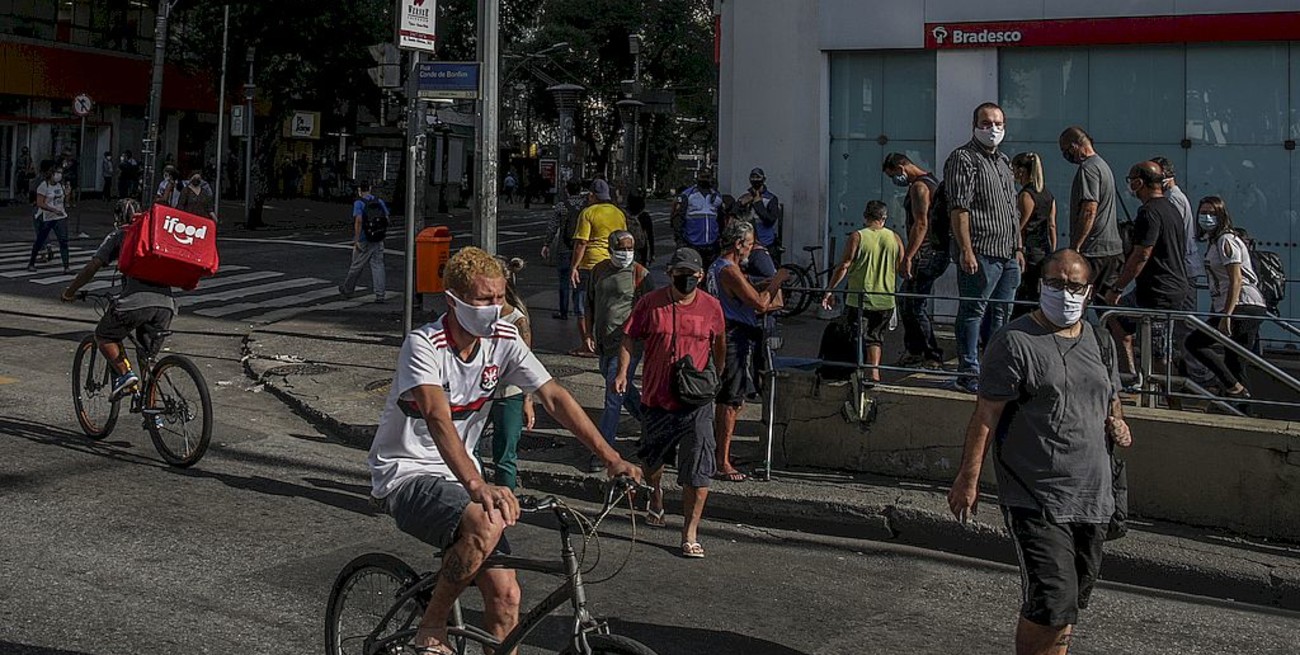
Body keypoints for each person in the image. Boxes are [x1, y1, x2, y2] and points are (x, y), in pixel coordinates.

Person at [367, 246, 642, 654]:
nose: (495, 308)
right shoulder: (424, 345)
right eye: (483, 299)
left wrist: (611, 458)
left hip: (459, 477)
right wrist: (478, 485)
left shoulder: (504, 339)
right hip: (408, 473)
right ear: (454, 301)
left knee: (507, 596)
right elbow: (438, 418)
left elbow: (554, 397)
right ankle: (432, 625)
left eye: (500, 297)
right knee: (486, 521)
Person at [948, 249, 1132, 655]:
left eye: (1075, 286)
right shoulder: (1014, 341)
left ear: (1089, 291)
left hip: (1092, 496)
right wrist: (968, 478)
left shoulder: (1100, 341)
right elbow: (986, 414)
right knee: (1050, 599)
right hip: (1037, 497)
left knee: (1068, 604)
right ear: (1040, 286)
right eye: (1056, 284)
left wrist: (1117, 423)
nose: (1066, 293)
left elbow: (1110, 399)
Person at [616, 247, 724, 557]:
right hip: (657, 398)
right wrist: (623, 372)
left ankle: (690, 531)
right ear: (670, 274)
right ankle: (656, 494)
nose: (686, 279)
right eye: (680, 274)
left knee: (699, 467)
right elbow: (629, 336)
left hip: (696, 401)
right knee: (652, 461)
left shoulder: (711, 306)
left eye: (691, 275)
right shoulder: (650, 303)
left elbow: (719, 343)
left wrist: (713, 378)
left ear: (700, 276)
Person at [60, 199, 177, 399]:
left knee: (104, 335)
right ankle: (152, 407)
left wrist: (70, 292)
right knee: (147, 357)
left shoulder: (120, 234)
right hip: (166, 305)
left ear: (117, 218)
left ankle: (125, 375)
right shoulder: (155, 234)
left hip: (137, 302)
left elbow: (93, 266)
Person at [944, 102, 1023, 393]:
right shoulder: (964, 158)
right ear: (975, 125)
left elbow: (1012, 209)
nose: (993, 129)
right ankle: (969, 371)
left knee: (1001, 313)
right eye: (986, 123)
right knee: (973, 310)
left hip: (1008, 252)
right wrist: (966, 249)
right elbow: (959, 208)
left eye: (998, 124)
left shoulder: (1003, 161)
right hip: (981, 250)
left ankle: (994, 367)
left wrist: (1018, 247)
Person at [708, 221, 789, 481]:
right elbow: (760, 304)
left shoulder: (719, 267)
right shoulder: (728, 269)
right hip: (733, 336)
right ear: (738, 244)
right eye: (750, 244)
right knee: (730, 401)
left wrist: (763, 283)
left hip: (730, 334)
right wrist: (778, 280)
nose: (751, 249)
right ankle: (721, 461)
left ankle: (721, 451)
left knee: (735, 399)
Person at [1102, 161, 1190, 377]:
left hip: (1159, 291)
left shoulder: (1148, 212)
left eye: (1132, 180)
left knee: (1159, 354)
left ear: (1139, 183)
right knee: (1115, 317)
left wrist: (1118, 287)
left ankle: (1169, 392)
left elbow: (1142, 254)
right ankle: (1132, 376)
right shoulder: (1171, 209)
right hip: (1165, 287)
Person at [1184, 197, 1268, 402]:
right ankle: (1241, 402)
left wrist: (1226, 315)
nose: (1207, 218)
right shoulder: (1215, 242)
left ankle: (1236, 390)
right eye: (1203, 213)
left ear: (1222, 216)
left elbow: (1235, 280)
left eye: (1212, 213)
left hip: (1243, 305)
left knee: (1196, 343)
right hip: (1234, 305)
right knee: (1233, 361)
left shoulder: (1226, 240)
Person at [583, 230, 651, 473]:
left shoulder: (640, 274)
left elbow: (650, 310)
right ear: (610, 248)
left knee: (613, 397)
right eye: (621, 248)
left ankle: (603, 451)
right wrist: (588, 333)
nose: (626, 253)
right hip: (604, 343)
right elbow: (589, 303)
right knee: (625, 390)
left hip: (627, 346)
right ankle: (651, 424)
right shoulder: (599, 271)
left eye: (630, 248)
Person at [822, 200, 904, 384]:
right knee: (875, 337)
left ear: (865, 217)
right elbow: (902, 267)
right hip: (886, 299)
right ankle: (874, 373)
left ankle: (854, 372)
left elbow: (844, 265)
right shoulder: (895, 238)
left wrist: (830, 289)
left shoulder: (857, 236)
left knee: (855, 335)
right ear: (884, 218)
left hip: (860, 298)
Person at [884, 152, 948, 369]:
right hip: (932, 252)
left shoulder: (919, 187)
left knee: (913, 304)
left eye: (893, 175)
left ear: (901, 168)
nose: (895, 180)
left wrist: (908, 257)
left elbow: (921, 224)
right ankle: (916, 350)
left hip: (926, 254)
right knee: (907, 301)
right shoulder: (931, 181)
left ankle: (930, 354)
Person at [1060, 127, 1123, 299]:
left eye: (1065, 150)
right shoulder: (1103, 165)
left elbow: (1089, 210)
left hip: (1094, 250)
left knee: (1078, 299)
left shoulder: (1088, 169)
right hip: (1112, 250)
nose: (1066, 155)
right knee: (1105, 304)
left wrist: (1076, 246)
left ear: (1074, 146)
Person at [489, 257, 535, 490]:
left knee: (505, 455)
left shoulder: (517, 320)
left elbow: (527, 365)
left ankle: (505, 501)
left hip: (509, 394)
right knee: (468, 448)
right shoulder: (478, 314)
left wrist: (528, 400)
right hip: (479, 392)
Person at [570, 179, 628, 353]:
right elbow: (623, 238)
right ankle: (606, 342)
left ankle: (586, 343)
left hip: (590, 265)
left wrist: (574, 267)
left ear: (591, 195)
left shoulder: (588, 213)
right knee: (605, 305)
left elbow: (582, 242)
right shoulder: (618, 213)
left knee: (583, 305)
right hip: (611, 264)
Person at [1012, 152, 1056, 318]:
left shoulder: (1026, 195)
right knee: (1037, 293)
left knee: (1024, 293)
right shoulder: (1048, 194)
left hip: (1029, 250)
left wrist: (1018, 248)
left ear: (1021, 171)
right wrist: (1052, 250)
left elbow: (1020, 227)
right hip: (1043, 249)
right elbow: (1052, 225)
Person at [542, 179, 587, 320]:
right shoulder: (587, 206)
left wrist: (547, 244)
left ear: (567, 190)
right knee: (579, 282)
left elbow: (552, 227)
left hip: (564, 247)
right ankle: (580, 311)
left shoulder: (561, 206)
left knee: (564, 281)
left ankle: (563, 312)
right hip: (582, 248)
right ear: (580, 190)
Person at [339, 181, 389, 303]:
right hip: (378, 238)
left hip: (364, 238)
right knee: (378, 265)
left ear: (359, 190)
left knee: (356, 265)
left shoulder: (359, 203)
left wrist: (356, 239)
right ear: (370, 188)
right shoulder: (379, 201)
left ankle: (347, 289)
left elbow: (359, 221)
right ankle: (380, 294)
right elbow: (386, 218)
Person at [671, 169, 724, 267]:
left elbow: (721, 219)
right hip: (692, 243)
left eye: (707, 177)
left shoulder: (717, 196)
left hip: (712, 245)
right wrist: (680, 240)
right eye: (702, 177)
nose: (705, 180)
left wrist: (720, 237)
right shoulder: (687, 195)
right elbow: (678, 219)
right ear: (697, 178)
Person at [27, 166, 71, 273]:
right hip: (47, 217)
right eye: (57, 173)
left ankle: (66, 267)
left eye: (61, 173)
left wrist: (67, 194)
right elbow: (40, 203)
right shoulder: (44, 186)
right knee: (40, 240)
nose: (59, 175)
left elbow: (64, 202)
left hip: (60, 217)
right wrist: (53, 210)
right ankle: (31, 263)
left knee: (63, 241)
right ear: (51, 174)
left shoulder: (60, 185)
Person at [736, 168, 783, 263]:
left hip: (765, 242)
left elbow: (770, 220)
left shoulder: (771, 199)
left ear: (763, 179)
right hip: (747, 243)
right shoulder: (746, 197)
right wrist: (741, 205)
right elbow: (736, 216)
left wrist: (758, 203)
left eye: (757, 177)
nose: (755, 180)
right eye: (753, 177)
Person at [626, 194, 655, 266]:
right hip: (641, 246)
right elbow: (650, 235)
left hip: (627, 245)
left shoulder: (624, 216)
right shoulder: (645, 216)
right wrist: (652, 253)